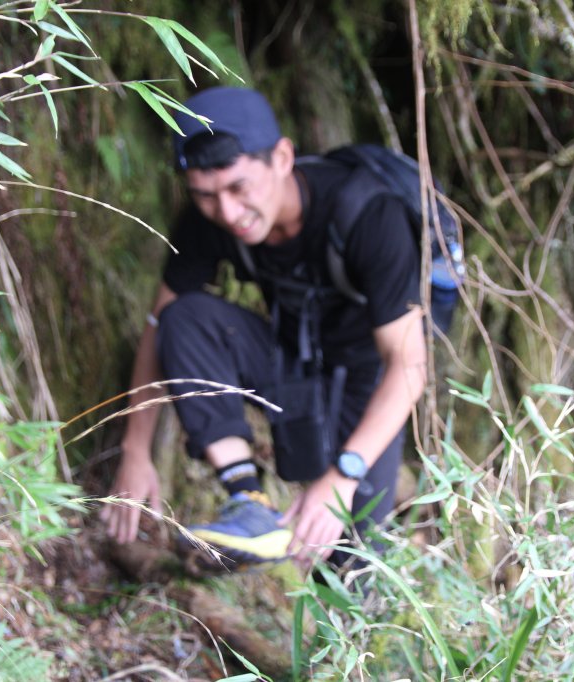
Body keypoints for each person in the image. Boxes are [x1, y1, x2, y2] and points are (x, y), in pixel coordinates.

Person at [99, 86, 426, 568]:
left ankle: (349, 605)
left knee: (351, 562)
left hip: (370, 384)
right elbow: (158, 324)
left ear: (283, 158)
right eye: (205, 195)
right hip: (290, 362)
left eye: (239, 188)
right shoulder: (208, 222)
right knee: (184, 318)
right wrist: (135, 448)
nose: (228, 213)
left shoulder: (368, 215)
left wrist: (343, 474)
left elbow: (409, 365)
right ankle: (248, 502)